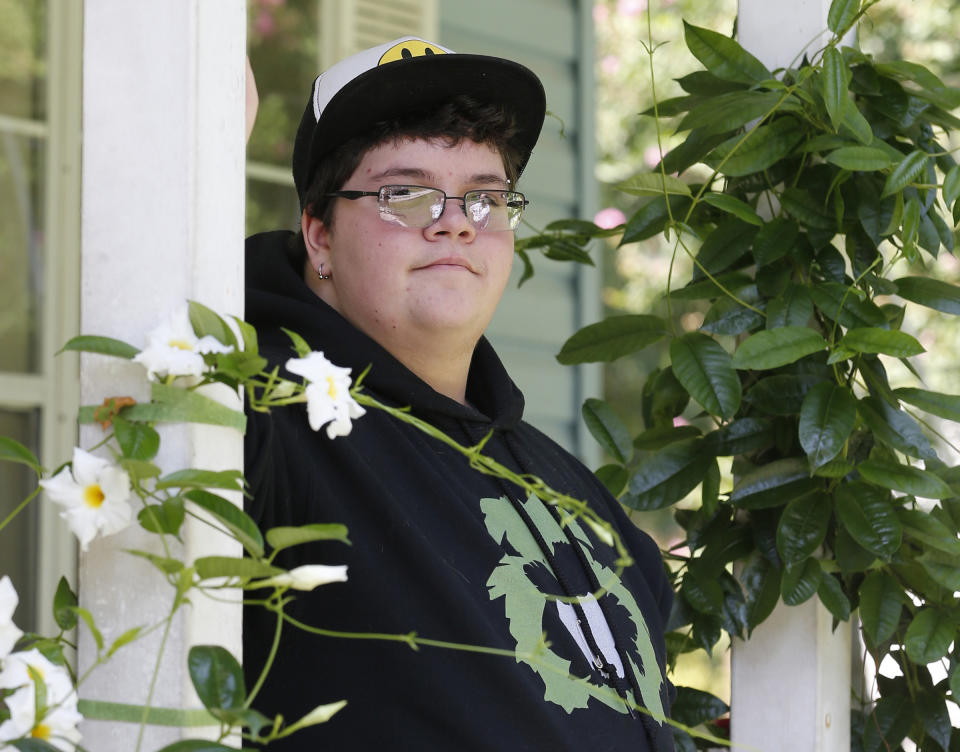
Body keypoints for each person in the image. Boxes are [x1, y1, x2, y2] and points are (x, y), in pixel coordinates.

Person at [243, 37, 675, 751]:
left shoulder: (570, 490)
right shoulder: (266, 412)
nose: (454, 222)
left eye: (485, 197)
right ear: (318, 236)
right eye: (404, 193)